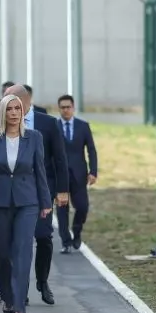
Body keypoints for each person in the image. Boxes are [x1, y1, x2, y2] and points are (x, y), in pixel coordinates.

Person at [0, 95, 52, 313]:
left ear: (22, 112)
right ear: (3, 113)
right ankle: (8, 297)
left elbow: (40, 171)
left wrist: (46, 201)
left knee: (22, 251)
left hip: (27, 202)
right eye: (10, 109)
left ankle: (20, 304)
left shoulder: (34, 137)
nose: (14, 113)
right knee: (2, 253)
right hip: (0, 203)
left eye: (17, 109)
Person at [5, 84, 68, 306]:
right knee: (17, 241)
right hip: (14, 192)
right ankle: (20, 288)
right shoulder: (3, 122)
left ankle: (43, 281)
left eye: (10, 101)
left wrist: (62, 190)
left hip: (42, 191)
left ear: (23, 101)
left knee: (43, 237)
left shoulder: (48, 123)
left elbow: (59, 158)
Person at [56, 94, 98, 253]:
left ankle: (77, 230)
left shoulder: (83, 126)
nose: (65, 110)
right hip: (60, 175)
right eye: (62, 107)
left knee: (82, 207)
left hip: (79, 174)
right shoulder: (54, 126)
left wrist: (93, 171)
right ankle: (65, 241)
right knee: (62, 209)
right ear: (59, 109)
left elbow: (91, 150)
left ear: (73, 108)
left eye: (68, 107)